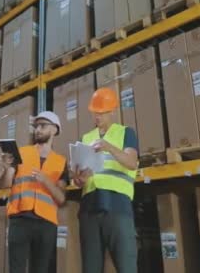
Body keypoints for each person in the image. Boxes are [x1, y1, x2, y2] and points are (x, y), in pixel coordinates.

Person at [72, 87, 139, 273]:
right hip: (89, 208)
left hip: (117, 207)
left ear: (112, 111)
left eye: (101, 113)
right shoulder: (86, 138)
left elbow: (132, 163)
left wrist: (109, 147)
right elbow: (80, 181)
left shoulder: (125, 133)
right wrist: (79, 178)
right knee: (91, 268)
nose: (97, 117)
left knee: (126, 267)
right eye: (95, 113)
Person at [0, 111, 68, 273]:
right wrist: (7, 169)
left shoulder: (61, 162)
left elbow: (61, 199)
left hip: (46, 224)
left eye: (43, 126)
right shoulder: (21, 153)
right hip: (20, 220)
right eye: (36, 126)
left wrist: (46, 180)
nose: (38, 129)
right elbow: (5, 185)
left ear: (54, 130)